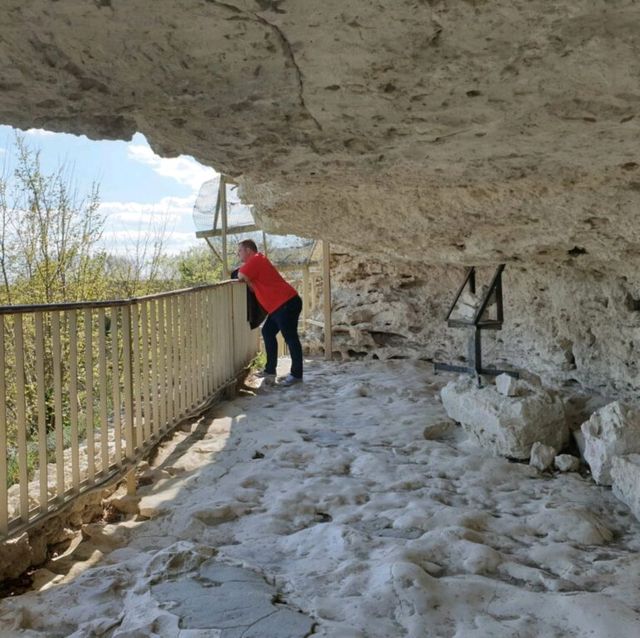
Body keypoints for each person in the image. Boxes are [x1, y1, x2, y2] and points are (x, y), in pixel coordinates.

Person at [236, 239, 303, 386]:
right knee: (267, 332)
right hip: (280, 305)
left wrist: (245, 277)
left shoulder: (257, 259)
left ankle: (297, 375)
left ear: (248, 250)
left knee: (290, 338)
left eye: (239, 251)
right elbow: (253, 286)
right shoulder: (256, 261)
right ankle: (270, 370)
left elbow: (240, 275)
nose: (237, 254)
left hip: (286, 303)